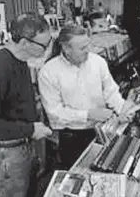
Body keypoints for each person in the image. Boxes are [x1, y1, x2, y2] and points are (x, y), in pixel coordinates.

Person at [0, 13, 53, 197]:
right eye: (44, 45)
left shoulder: (21, 60)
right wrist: (30, 129)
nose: (48, 49)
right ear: (24, 43)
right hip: (7, 155)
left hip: (21, 148)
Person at [38, 24, 134, 169]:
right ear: (66, 48)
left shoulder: (98, 62)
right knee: (77, 173)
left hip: (103, 129)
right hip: (72, 137)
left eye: (88, 45)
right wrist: (88, 114)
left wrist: (122, 108)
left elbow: (111, 92)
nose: (88, 51)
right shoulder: (48, 72)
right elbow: (54, 113)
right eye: (82, 48)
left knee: (105, 169)